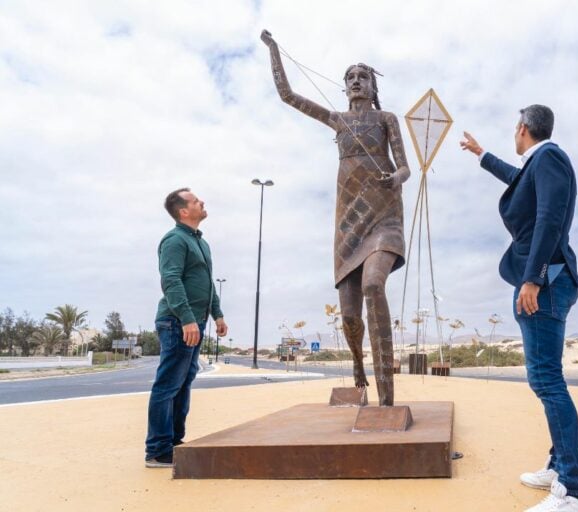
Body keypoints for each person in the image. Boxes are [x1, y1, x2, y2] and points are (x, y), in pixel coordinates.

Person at [261, 30, 411, 406]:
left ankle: (387, 398)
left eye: (363, 76)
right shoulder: (337, 121)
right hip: (348, 224)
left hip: (384, 216)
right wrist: (275, 52)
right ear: (345, 87)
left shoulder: (387, 119)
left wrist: (396, 177)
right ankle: (358, 366)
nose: (356, 81)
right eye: (350, 77)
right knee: (349, 316)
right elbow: (288, 96)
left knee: (374, 286)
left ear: (373, 85)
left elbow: (406, 168)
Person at [461, 105, 578, 512]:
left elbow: (549, 218)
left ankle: (574, 490)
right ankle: (559, 466)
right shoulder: (539, 163)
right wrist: (482, 154)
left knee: (548, 382)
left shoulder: (549, 157)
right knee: (547, 380)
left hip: (546, 281)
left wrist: (533, 277)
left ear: (522, 129)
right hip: (546, 278)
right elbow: (517, 180)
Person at [145, 188, 228, 468]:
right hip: (176, 322)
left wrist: (217, 314)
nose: (202, 201)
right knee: (168, 383)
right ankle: (157, 450)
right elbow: (170, 280)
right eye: (195, 201)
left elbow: (206, 281)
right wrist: (187, 318)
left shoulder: (201, 243)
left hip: (194, 321)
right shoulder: (174, 240)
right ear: (183, 211)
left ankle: (173, 442)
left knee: (183, 381)